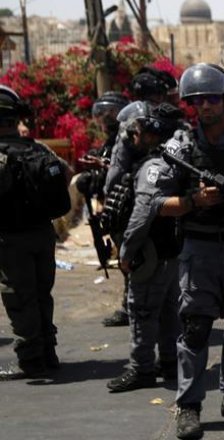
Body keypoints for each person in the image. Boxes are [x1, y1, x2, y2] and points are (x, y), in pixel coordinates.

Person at [146, 63, 224, 439]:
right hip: (198, 249)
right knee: (196, 328)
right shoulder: (179, 147)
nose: (204, 106)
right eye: (197, 100)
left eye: (212, 99)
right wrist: (192, 201)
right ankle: (188, 405)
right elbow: (155, 203)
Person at [105, 102, 185, 392]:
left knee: (141, 312)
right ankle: (169, 363)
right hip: (171, 251)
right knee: (167, 312)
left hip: (151, 252)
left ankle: (141, 369)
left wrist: (126, 253)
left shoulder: (152, 165)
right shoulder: (174, 158)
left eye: (137, 131)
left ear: (151, 134)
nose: (132, 137)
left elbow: (142, 214)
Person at [0, 85, 72, 380]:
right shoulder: (37, 148)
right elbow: (65, 173)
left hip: (10, 239)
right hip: (43, 234)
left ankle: (30, 360)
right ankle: (48, 352)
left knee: (20, 297)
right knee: (43, 293)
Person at [101, 68, 181, 328]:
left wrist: (111, 194)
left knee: (134, 256)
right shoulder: (172, 121)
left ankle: (134, 311)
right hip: (171, 201)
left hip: (140, 199)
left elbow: (116, 170)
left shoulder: (133, 120)